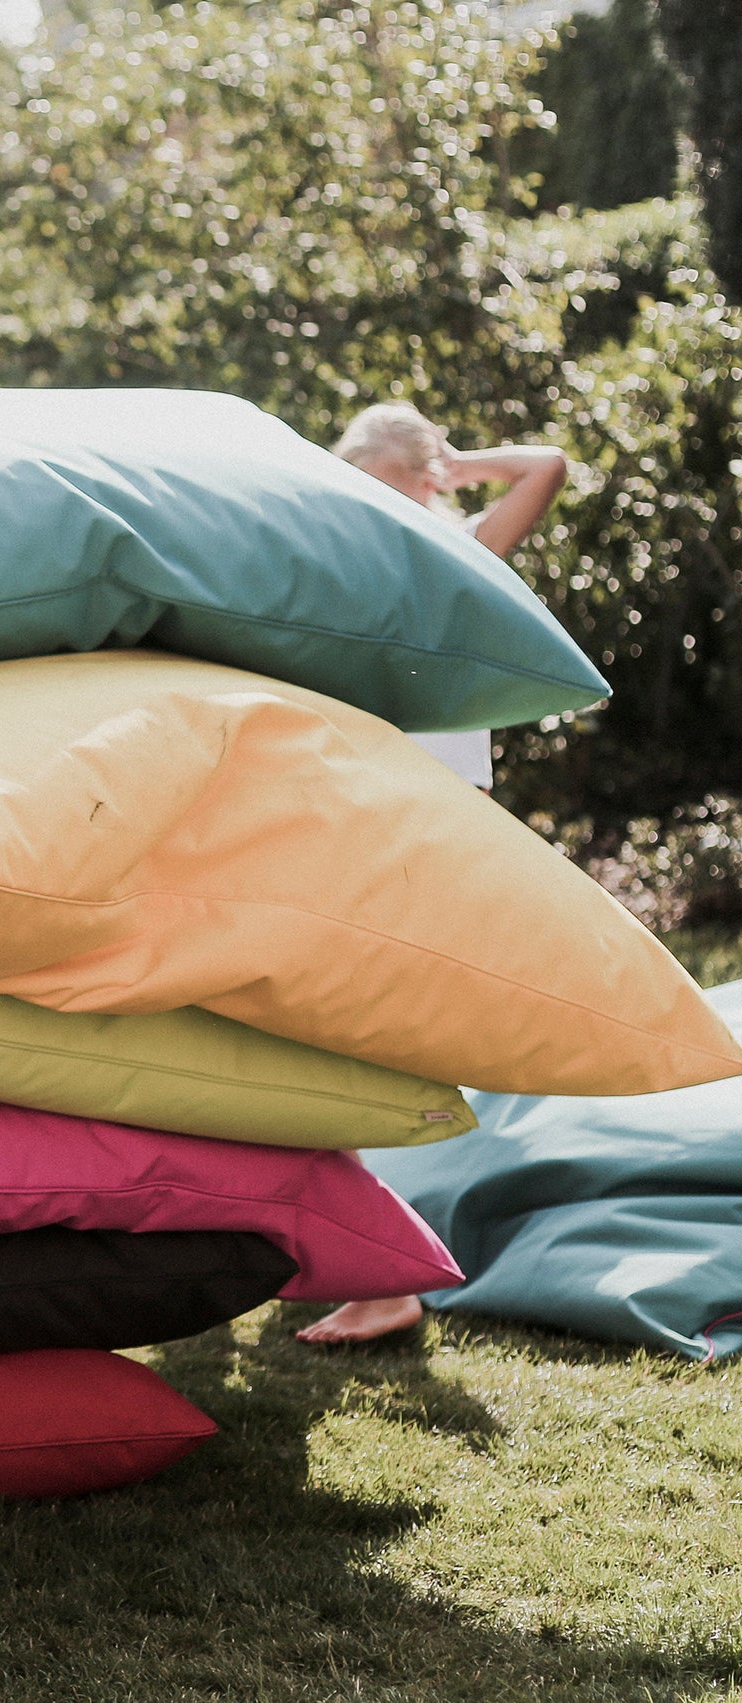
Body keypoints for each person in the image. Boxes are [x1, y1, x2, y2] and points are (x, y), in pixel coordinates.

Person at [296, 402, 569, 1347]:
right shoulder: (355, 573)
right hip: (372, 822)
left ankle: (386, 1277)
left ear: (425, 481)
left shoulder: (462, 553)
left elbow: (546, 461)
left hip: (426, 831)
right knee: (325, 1034)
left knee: (352, 1042)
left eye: (384, 484)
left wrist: (459, 463)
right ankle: (354, 1260)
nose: (365, 504)